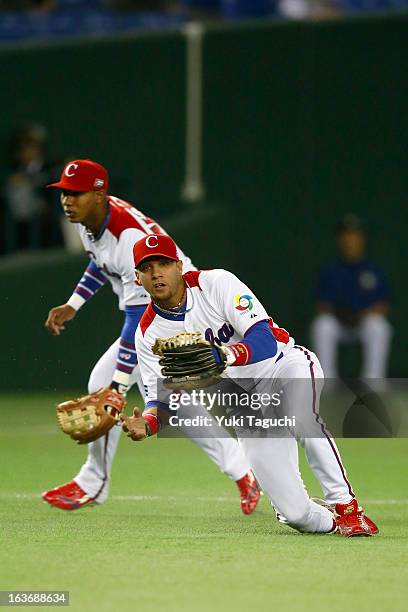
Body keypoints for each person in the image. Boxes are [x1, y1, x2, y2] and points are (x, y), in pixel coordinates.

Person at [122, 232, 379, 537]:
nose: (156, 273)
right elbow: (162, 401)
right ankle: (331, 521)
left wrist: (226, 354)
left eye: (163, 263)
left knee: (301, 416)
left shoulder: (215, 283)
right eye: (147, 267)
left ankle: (348, 507)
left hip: (283, 365)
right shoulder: (148, 334)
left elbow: (265, 340)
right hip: (244, 405)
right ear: (137, 278)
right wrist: (149, 424)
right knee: (296, 516)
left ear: (178, 265)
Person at [42, 159, 260, 514]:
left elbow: (136, 324)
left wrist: (116, 386)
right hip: (160, 314)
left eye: (76, 193)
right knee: (159, 397)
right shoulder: (89, 222)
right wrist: (73, 304)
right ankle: (241, 470)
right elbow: (101, 263)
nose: (67, 200)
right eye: (64, 193)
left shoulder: (130, 239)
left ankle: (94, 482)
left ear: (99, 195)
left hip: (185, 312)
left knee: (148, 395)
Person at [311, 215, 392, 380]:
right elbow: (320, 304)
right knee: (322, 326)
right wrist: (340, 313)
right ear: (340, 240)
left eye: (354, 235)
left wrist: (363, 314)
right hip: (338, 323)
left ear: (362, 239)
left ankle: (373, 381)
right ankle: (327, 381)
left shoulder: (373, 270)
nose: (350, 240)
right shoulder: (330, 270)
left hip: (364, 322)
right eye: (346, 235)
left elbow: (383, 304)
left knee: (379, 327)